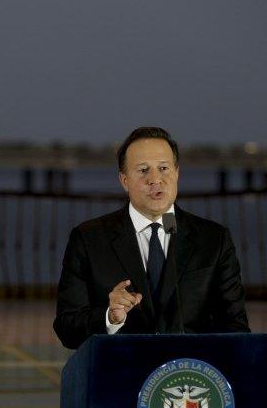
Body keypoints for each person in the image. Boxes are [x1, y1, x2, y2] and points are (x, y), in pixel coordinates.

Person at [53, 127, 250, 349]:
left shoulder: (214, 239)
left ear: (177, 173)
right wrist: (110, 318)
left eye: (164, 168)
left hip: (189, 376)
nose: (155, 179)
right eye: (143, 170)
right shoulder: (88, 239)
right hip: (121, 374)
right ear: (124, 180)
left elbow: (237, 329)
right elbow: (67, 329)